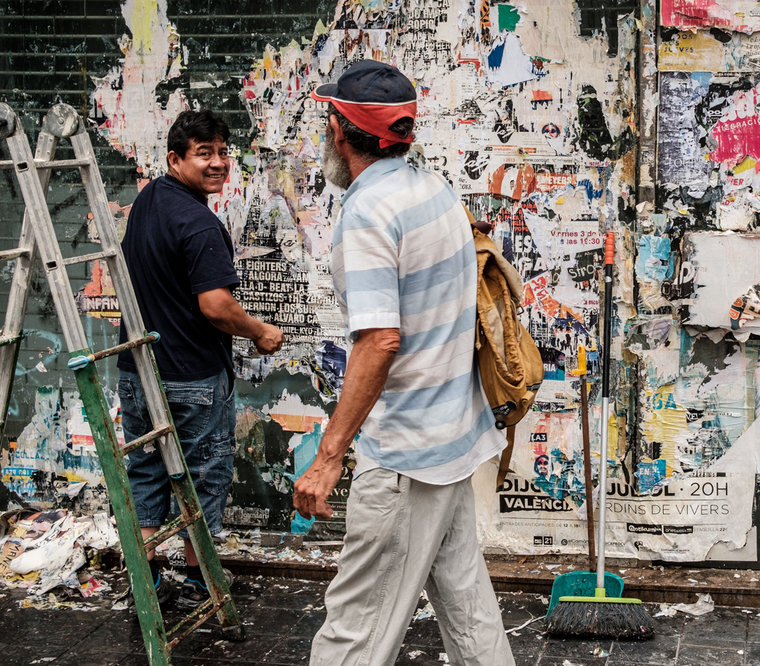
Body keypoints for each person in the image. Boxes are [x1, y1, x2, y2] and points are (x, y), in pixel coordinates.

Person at [293, 60, 514, 666]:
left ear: (341, 129)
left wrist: (329, 455)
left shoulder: (367, 214)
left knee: (355, 633)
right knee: (469, 611)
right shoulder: (433, 189)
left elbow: (379, 342)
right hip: (451, 440)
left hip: (406, 458)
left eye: (328, 120)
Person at [117, 110, 285, 607]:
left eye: (222, 152)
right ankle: (196, 582)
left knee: (146, 470)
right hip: (191, 376)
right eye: (203, 153)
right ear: (175, 158)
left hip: (137, 369)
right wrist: (260, 331)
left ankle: (145, 580)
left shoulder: (149, 200)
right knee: (204, 475)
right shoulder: (200, 223)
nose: (218, 163)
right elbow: (215, 306)